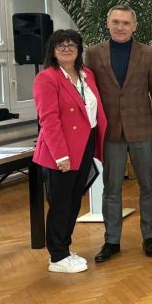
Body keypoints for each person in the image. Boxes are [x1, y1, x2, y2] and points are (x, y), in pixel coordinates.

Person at [85, 5, 152, 263]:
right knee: (111, 187)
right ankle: (111, 241)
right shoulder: (93, 54)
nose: (120, 27)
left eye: (126, 23)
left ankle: (149, 237)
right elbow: (89, 94)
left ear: (134, 26)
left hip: (142, 129)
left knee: (148, 186)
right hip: (111, 132)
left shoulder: (148, 53)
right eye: (116, 22)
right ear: (108, 23)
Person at [33, 30, 107, 273]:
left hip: (84, 144)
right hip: (61, 149)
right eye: (61, 46)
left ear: (79, 49)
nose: (67, 49)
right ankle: (57, 256)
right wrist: (61, 155)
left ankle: (64, 248)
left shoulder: (87, 74)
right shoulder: (47, 78)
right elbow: (49, 120)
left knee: (74, 199)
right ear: (52, 51)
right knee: (60, 202)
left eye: (71, 45)